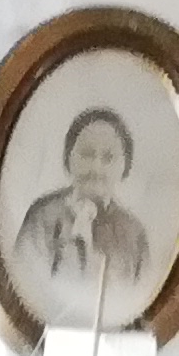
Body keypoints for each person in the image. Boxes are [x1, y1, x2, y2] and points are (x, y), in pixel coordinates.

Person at [11, 107, 153, 325]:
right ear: (69, 158)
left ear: (124, 166)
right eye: (86, 155)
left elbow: (140, 305)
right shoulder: (43, 217)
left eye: (108, 158)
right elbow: (24, 290)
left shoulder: (133, 232)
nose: (96, 168)